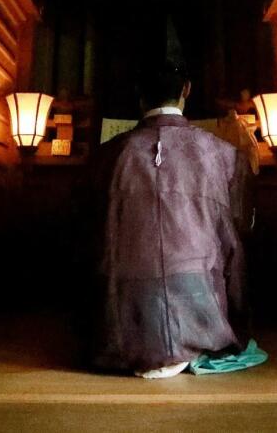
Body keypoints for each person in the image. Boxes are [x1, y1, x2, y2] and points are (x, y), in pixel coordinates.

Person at [92, 58, 252, 378]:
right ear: (186, 91)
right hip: (204, 319)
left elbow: (85, 242)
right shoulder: (224, 155)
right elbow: (236, 241)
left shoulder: (106, 156)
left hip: (119, 332)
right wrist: (240, 317)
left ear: (138, 94)